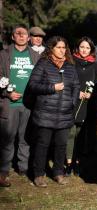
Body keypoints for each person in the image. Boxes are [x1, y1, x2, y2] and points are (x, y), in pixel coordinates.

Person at [27, 36, 80, 187]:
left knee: (61, 144)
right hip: (45, 113)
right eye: (59, 47)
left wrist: (72, 101)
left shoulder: (70, 66)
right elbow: (33, 85)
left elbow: (76, 85)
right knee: (42, 144)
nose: (62, 50)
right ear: (51, 48)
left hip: (64, 113)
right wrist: (52, 88)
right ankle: (38, 175)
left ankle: (58, 173)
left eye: (64, 48)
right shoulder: (43, 63)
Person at [0, 25, 40, 187]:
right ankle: (3, 170)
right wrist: (7, 93)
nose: (22, 36)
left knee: (26, 137)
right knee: (7, 138)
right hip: (10, 103)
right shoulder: (3, 55)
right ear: (13, 37)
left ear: (29, 38)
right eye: (18, 33)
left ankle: (23, 167)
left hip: (29, 104)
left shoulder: (36, 56)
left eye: (25, 34)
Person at [65, 37, 97, 176]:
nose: (84, 50)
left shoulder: (95, 65)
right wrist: (75, 92)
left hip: (87, 103)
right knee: (71, 132)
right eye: (82, 47)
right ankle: (68, 163)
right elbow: (66, 81)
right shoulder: (70, 62)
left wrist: (91, 94)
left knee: (81, 134)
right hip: (72, 101)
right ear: (77, 48)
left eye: (87, 48)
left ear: (91, 50)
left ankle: (77, 161)